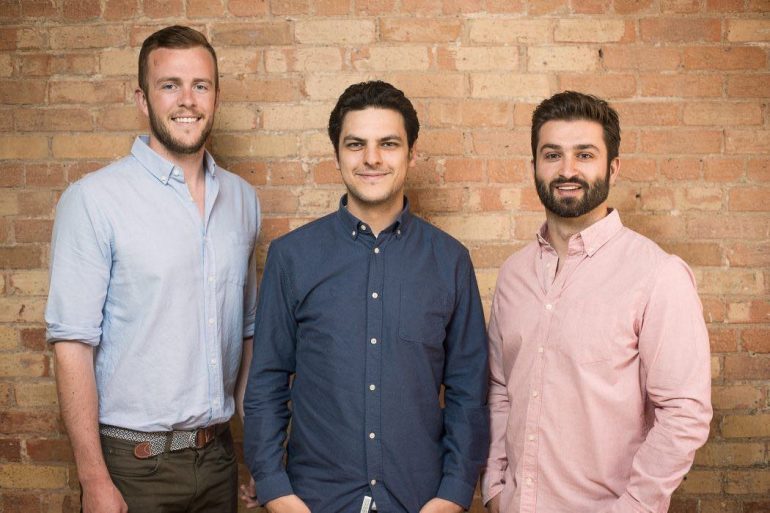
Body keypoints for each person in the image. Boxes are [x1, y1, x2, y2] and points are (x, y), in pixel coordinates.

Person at [242, 81, 489, 513]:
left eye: (388, 144)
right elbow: (266, 382)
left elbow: (469, 391)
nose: (372, 158)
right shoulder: (291, 257)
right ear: (337, 154)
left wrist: (453, 493)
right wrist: (274, 487)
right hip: (315, 501)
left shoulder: (449, 261)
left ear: (411, 154)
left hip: (418, 501)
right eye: (356, 144)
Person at [45, 25, 260, 513]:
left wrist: (258, 457)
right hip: (133, 466)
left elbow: (246, 334)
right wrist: (94, 480)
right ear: (142, 100)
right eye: (170, 85)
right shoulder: (94, 200)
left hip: (219, 459)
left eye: (200, 85)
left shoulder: (242, 200)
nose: (187, 100)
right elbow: (73, 344)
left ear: (216, 97)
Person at [481, 91, 712, 513]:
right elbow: (500, 389)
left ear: (613, 168)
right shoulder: (513, 274)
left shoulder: (657, 275)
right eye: (552, 155)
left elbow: (684, 413)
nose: (567, 170)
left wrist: (635, 507)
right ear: (534, 167)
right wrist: (495, 485)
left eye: (584, 155)